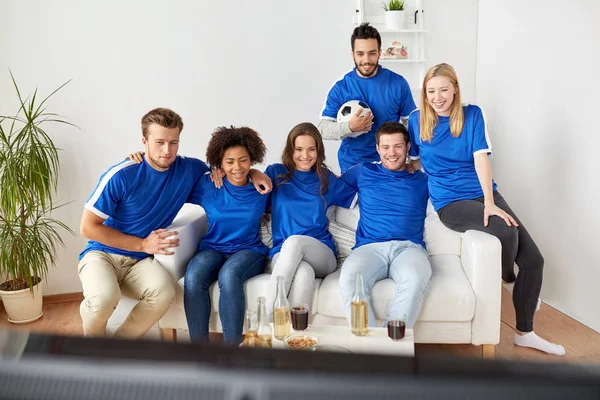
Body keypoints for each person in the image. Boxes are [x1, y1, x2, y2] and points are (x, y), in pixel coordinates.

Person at [407, 63, 564, 356]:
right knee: (504, 230)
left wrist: (489, 202)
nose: (437, 97)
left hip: (483, 193)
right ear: (424, 94)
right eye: (431, 91)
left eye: (443, 89)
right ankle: (508, 279)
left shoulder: (473, 114)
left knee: (534, 260)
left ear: (455, 88)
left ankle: (525, 332)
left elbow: (481, 159)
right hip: (450, 203)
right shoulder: (417, 121)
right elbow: (415, 162)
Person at [78, 108, 209, 338]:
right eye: (159, 142)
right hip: (102, 255)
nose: (167, 150)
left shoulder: (190, 170)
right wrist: (142, 245)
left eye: (173, 142)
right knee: (104, 298)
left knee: (164, 293)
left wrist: (256, 174)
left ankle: (121, 344)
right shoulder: (122, 174)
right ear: (144, 141)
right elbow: (87, 227)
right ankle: (92, 347)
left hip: (139, 263)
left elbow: (229, 171)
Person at [338, 122, 431, 329]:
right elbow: (325, 184)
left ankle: (390, 345)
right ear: (377, 148)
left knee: (415, 279)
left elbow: (455, 177)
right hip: (369, 248)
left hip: (409, 248)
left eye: (398, 146)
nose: (392, 153)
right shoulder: (363, 171)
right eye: (386, 147)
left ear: (408, 147)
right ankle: (373, 349)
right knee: (350, 279)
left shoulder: (422, 179)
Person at [184, 126, 270, 345]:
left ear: (252, 158)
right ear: (219, 163)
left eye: (243, 160)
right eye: (229, 162)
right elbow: (172, 177)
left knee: (229, 276)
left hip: (249, 250)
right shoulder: (208, 185)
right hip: (213, 248)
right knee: (193, 277)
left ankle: (232, 352)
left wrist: (255, 173)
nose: (237, 167)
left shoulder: (263, 187)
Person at [263, 122, 357, 316]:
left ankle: (267, 322)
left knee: (295, 242)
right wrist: (254, 174)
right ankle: (298, 339)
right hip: (282, 253)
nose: (305, 156)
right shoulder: (275, 174)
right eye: (298, 149)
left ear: (318, 151)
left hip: (322, 253)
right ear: (290, 150)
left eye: (311, 149)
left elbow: (357, 195)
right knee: (304, 273)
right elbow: (250, 193)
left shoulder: (326, 178)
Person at [318, 22, 416, 173]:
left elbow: (411, 123)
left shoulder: (398, 83)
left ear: (379, 52)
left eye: (371, 53)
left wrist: (413, 158)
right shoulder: (340, 88)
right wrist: (349, 127)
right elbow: (323, 128)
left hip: (390, 162)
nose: (366, 60)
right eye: (360, 54)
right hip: (353, 165)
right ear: (352, 54)